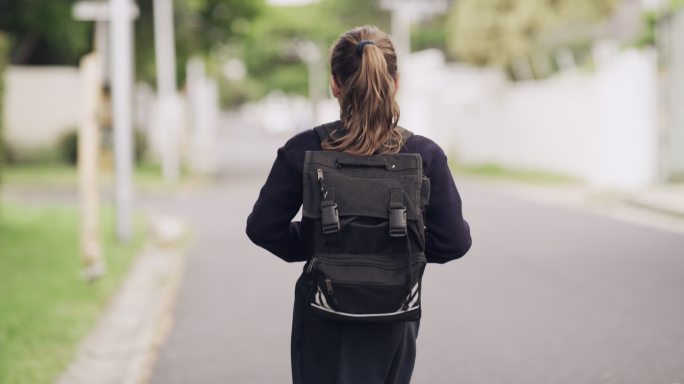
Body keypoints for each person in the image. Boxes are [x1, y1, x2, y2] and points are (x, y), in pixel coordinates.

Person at [246, 25, 471, 384]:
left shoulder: (303, 149)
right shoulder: (424, 155)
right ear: (395, 82)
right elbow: (454, 243)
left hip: (322, 311)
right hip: (395, 313)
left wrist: (323, 245)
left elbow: (262, 228)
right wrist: (395, 250)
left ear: (335, 84)